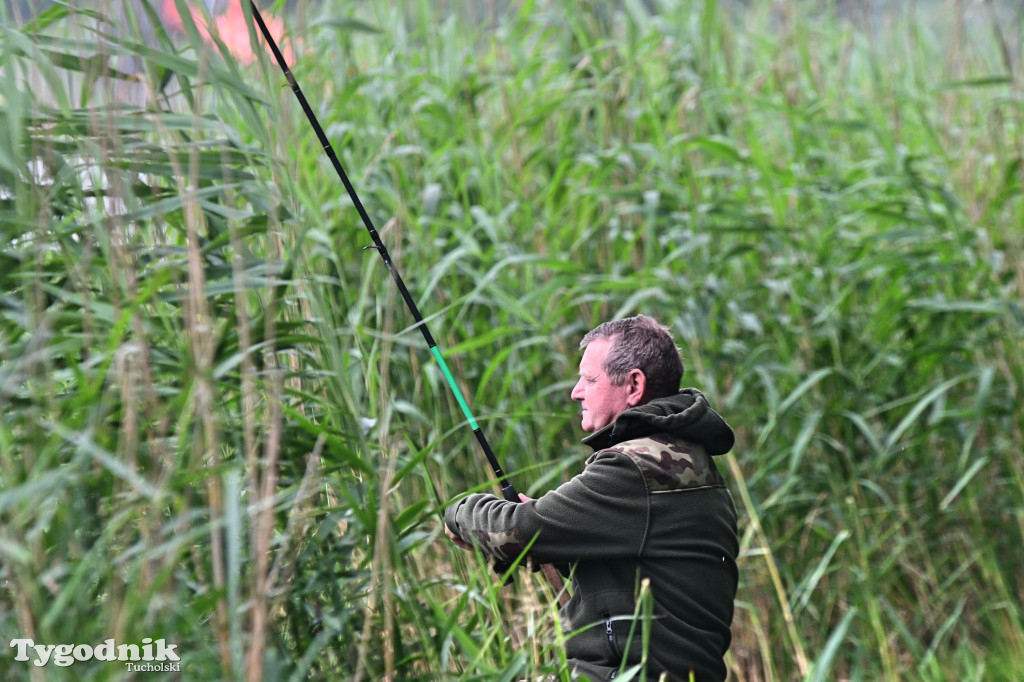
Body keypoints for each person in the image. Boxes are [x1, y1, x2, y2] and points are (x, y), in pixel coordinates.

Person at [444, 315, 739, 681]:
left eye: (589, 379)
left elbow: (516, 530)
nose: (576, 392)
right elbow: (640, 572)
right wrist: (556, 543)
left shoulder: (635, 467)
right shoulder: (686, 458)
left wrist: (458, 512)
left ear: (634, 384)